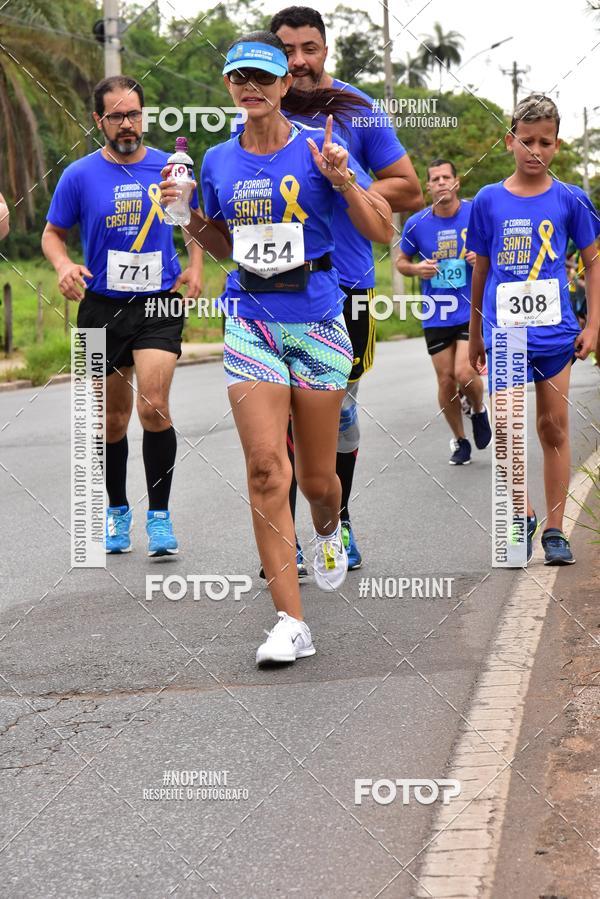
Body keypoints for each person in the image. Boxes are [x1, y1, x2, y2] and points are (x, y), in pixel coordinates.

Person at [161, 32, 392, 665]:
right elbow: (226, 246)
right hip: (250, 320)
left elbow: (380, 228)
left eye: (263, 78)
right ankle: (291, 621)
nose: (252, 88)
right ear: (230, 88)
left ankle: (327, 529)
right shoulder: (216, 161)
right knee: (267, 468)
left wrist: (344, 183)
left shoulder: (323, 147)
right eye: (240, 79)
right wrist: (183, 216)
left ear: (285, 85)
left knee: (318, 482)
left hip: (317, 319)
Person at [268, 6, 423, 571]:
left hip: (345, 284)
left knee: (337, 417)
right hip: (271, 289)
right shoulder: (262, 105)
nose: (299, 62)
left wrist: (345, 180)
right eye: (286, 50)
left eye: (309, 48)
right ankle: (282, 538)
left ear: (326, 50)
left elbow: (408, 188)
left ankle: (338, 520)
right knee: (277, 417)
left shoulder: (357, 108)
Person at [42, 75, 202, 556]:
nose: (127, 124)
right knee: (111, 421)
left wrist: (194, 268)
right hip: (101, 306)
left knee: (153, 406)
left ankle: (159, 516)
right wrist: (64, 264)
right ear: (99, 120)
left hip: (158, 302)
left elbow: (193, 223)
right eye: (116, 116)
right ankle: (116, 510)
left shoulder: (171, 169)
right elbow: (53, 233)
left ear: (144, 115)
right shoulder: (79, 175)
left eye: (134, 114)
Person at [467, 94, 600, 565]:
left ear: (557, 145)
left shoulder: (571, 198)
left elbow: (592, 260)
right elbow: (480, 270)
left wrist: (594, 323)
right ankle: (521, 513)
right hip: (505, 332)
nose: (535, 150)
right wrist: (475, 332)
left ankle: (555, 530)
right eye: (526, 141)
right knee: (504, 425)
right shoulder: (487, 200)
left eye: (545, 142)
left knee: (553, 426)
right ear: (510, 141)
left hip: (556, 335)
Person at [397, 159, 492, 464]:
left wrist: (481, 256)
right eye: (434, 178)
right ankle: (460, 440)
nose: (440, 182)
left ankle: (478, 409)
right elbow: (400, 261)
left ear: (456, 182)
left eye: (445, 177)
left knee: (465, 373)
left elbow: (495, 245)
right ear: (428, 186)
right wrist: (416, 268)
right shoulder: (417, 223)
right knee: (446, 381)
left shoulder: (474, 212)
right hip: (436, 312)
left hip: (470, 308)